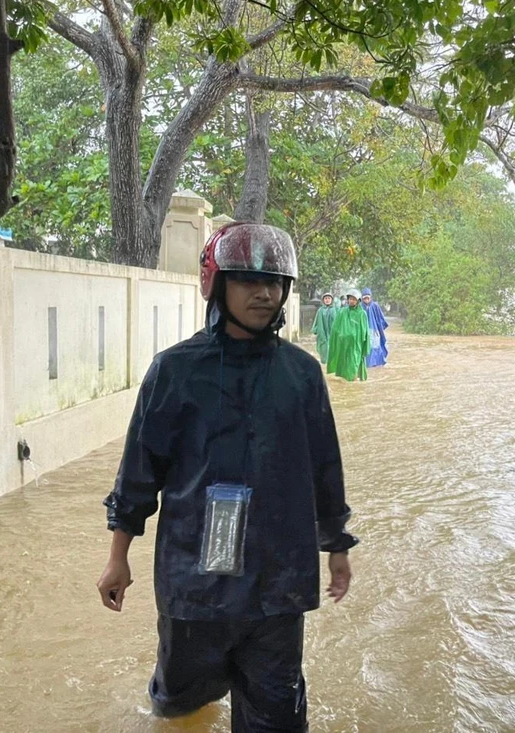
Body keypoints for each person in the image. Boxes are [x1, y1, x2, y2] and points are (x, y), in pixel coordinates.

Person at [97, 222, 358, 731]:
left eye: (275, 282)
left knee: (276, 718)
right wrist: (117, 558)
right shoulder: (173, 371)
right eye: (247, 281)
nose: (265, 293)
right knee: (180, 709)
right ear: (217, 284)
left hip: (277, 584)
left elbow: (325, 467)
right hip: (193, 583)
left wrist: (338, 547)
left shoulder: (302, 375)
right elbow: (138, 472)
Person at [326, 290, 370, 382]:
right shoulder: (342, 312)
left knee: (354, 363)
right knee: (344, 364)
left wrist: (364, 343)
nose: (351, 301)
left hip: (355, 345)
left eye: (354, 299)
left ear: (358, 301)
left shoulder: (362, 314)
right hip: (343, 344)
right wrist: (340, 337)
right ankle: (346, 385)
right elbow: (335, 328)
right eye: (350, 299)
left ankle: (353, 382)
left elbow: (365, 331)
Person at [361, 288, 389, 368]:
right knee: (366, 348)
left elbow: (380, 318)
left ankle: (377, 364)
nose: (366, 300)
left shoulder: (375, 306)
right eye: (365, 298)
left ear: (370, 297)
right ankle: (367, 365)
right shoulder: (360, 307)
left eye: (368, 298)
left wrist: (380, 329)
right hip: (364, 331)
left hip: (375, 331)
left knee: (376, 346)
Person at [311, 293, 338, 364]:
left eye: (329, 298)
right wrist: (315, 329)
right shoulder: (320, 310)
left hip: (333, 332)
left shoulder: (335, 309)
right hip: (323, 332)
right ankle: (324, 360)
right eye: (326, 298)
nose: (327, 300)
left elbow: (339, 320)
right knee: (323, 346)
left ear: (332, 300)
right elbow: (317, 320)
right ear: (323, 300)